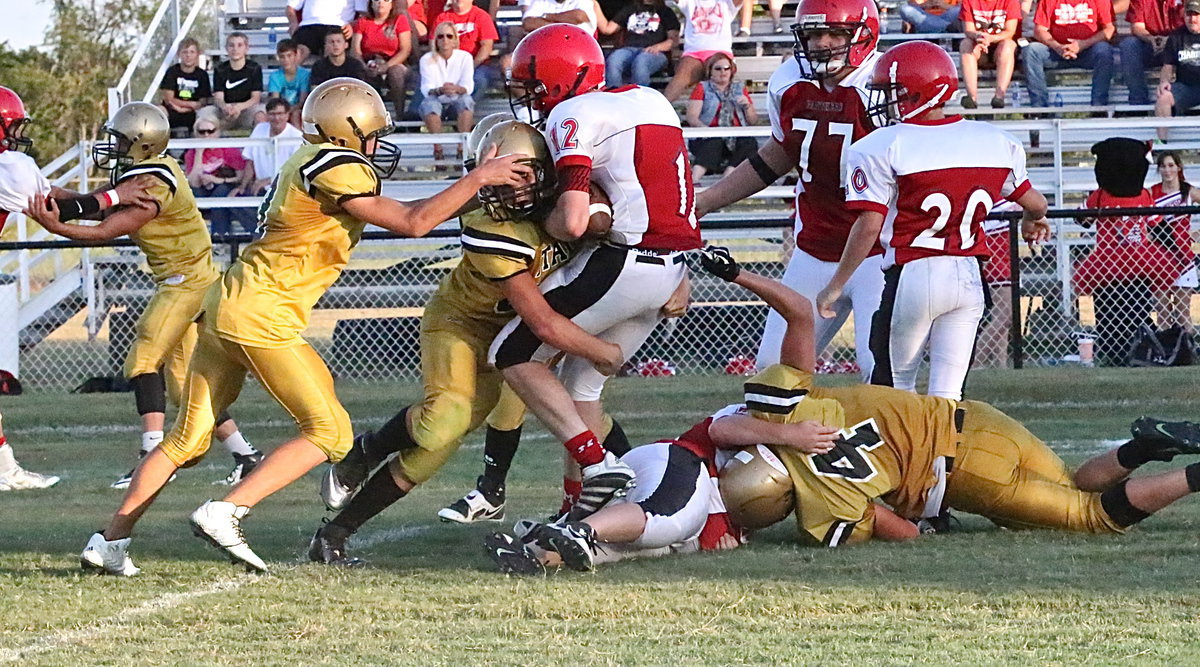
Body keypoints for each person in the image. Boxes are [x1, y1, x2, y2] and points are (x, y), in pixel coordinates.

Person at [73, 78, 532, 575]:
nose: (377, 143)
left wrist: (478, 192)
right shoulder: (337, 164)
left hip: (227, 301)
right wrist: (481, 179)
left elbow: (420, 212)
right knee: (331, 433)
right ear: (348, 130)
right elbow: (414, 222)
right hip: (262, 315)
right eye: (372, 132)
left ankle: (110, 541)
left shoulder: (304, 159)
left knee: (187, 439)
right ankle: (227, 510)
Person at [309, 121, 628, 565]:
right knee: (442, 425)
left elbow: (619, 229)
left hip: (511, 340)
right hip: (463, 326)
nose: (507, 192)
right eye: (497, 178)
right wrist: (602, 352)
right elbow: (542, 322)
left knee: (436, 452)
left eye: (520, 178)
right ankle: (365, 450)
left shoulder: (570, 206)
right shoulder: (488, 223)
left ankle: (334, 533)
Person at [485, 250, 811, 575]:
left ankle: (533, 552)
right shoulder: (791, 413)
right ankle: (578, 528)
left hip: (680, 500)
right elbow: (720, 430)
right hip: (680, 465)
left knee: (629, 549)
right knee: (669, 522)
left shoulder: (824, 467)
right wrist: (788, 435)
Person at [493, 25, 701, 519]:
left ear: (563, 81)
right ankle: (580, 513)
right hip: (669, 268)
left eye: (535, 89)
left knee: (512, 351)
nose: (533, 102)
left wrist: (536, 214)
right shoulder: (650, 100)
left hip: (626, 262)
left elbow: (571, 222)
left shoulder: (572, 113)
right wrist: (684, 271)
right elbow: (672, 199)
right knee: (581, 389)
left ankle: (596, 463)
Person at [22, 103, 259, 493]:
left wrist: (54, 223)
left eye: (119, 139)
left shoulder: (153, 182)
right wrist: (35, 194)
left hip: (187, 282)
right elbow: (93, 201)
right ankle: (246, 456)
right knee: (184, 387)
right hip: (189, 278)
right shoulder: (146, 172)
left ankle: (150, 458)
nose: (112, 146)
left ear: (141, 142)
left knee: (143, 358)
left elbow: (106, 229)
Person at [816, 42, 1050, 401]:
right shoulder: (994, 140)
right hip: (970, 275)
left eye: (894, 93)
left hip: (914, 273)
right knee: (947, 397)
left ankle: (899, 459)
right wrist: (1033, 219)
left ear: (920, 91)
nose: (887, 102)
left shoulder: (882, 145)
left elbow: (868, 225)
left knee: (895, 392)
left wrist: (835, 284)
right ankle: (944, 460)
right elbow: (1035, 202)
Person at [695, 0, 884, 380]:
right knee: (775, 371)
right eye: (814, 34)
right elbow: (777, 156)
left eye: (835, 33)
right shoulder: (789, 81)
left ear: (862, 35)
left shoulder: (882, 83)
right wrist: (702, 203)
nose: (822, 43)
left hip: (880, 254)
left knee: (879, 371)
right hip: (815, 246)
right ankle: (801, 440)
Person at [0, 86, 153, 491]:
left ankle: (4, 467)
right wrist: (114, 196)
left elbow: (52, 193)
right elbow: (53, 209)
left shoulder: (12, 165)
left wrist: (102, 199)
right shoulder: (7, 165)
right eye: (12, 125)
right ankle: (4, 470)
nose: (17, 134)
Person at [1073, 138, 1188, 365]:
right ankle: (1137, 351)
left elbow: (1081, 219)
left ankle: (1113, 353)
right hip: (1141, 262)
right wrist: (1174, 252)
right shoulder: (1143, 195)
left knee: (1107, 309)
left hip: (1107, 264)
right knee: (1139, 308)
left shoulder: (1100, 195)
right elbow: (1159, 226)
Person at [1023, 0, 1115, 107]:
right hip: (1056, 51)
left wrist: (1081, 45)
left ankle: (1099, 105)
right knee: (1031, 50)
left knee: (1104, 50)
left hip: (1088, 50)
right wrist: (1058, 47)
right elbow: (1039, 30)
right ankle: (1039, 107)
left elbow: (1109, 30)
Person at [686, 53, 759, 180]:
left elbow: (753, 121)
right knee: (715, 141)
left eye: (727, 68)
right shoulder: (702, 88)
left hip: (735, 136)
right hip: (708, 136)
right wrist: (708, 131)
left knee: (749, 142)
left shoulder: (739, 88)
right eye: (718, 69)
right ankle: (693, 180)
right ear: (710, 71)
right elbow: (692, 117)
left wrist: (747, 107)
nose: (723, 72)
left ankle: (727, 179)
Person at [1150, 150, 1199, 332]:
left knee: (1183, 312)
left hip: (1183, 256)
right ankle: (1165, 353)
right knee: (1162, 311)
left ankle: (1187, 351)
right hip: (1159, 257)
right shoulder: (1151, 193)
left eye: (1171, 165)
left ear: (1178, 167)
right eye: (1163, 166)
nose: (1167, 170)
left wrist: (1197, 234)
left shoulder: (1188, 191)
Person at [185, 118, 255, 235]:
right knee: (191, 195)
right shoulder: (191, 153)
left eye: (210, 131)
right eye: (202, 132)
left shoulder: (228, 149)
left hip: (226, 184)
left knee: (220, 193)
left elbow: (240, 177)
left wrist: (218, 180)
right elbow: (193, 183)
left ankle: (220, 236)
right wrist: (199, 153)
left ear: (217, 132)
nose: (206, 135)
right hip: (203, 188)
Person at [419, 23, 475, 162]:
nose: (445, 40)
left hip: (458, 97)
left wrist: (456, 88)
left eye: (449, 36)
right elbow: (427, 88)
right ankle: (438, 149)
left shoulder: (465, 57)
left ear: (455, 39)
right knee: (429, 105)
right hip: (437, 98)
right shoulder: (426, 59)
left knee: (466, 101)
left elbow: (468, 85)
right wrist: (441, 90)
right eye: (441, 36)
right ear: (436, 40)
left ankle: (462, 148)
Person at [663, 0, 738, 102]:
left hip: (720, 53)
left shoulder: (726, 2)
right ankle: (660, 109)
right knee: (681, 76)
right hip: (693, 54)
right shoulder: (690, 2)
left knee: (721, 70)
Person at [1118, 0, 1185, 106]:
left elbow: (1192, 24)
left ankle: (1185, 95)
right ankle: (1138, 100)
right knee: (1128, 45)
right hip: (1152, 46)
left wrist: (1170, 41)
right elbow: (1137, 27)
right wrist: (1151, 39)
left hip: (1179, 45)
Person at [352, 0, 413, 115]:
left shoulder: (399, 20)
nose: (381, 3)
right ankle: (371, 117)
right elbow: (355, 50)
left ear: (391, 4)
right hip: (370, 62)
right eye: (377, 0)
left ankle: (400, 116)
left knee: (396, 73)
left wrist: (386, 66)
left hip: (395, 62)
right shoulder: (363, 21)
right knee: (362, 74)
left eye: (385, 0)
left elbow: (405, 50)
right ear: (371, 3)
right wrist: (365, 66)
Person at [600, 0, 680, 88]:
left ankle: (639, 96)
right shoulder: (630, 9)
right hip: (629, 49)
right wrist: (594, 6)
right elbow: (608, 29)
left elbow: (673, 40)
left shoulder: (666, 11)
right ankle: (614, 94)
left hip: (656, 52)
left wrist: (658, 47)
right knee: (614, 60)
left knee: (641, 62)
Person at [433, 0, 503, 100]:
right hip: (448, 64)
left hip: (477, 65)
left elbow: (487, 47)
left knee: (479, 80)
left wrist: (470, 67)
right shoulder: (442, 18)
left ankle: (464, 110)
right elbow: (434, 45)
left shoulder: (482, 16)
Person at [958, 0, 1020, 108]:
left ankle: (999, 97)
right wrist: (979, 36)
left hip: (999, 45)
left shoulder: (1010, 1)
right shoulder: (969, 1)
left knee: (1008, 45)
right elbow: (968, 30)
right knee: (965, 44)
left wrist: (991, 38)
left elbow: (1010, 31)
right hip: (979, 45)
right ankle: (971, 97)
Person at [237, 99, 304, 198]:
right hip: (259, 188)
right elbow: (250, 162)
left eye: (280, 114)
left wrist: (269, 180)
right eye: (272, 114)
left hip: (285, 189)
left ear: (287, 115)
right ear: (267, 115)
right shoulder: (259, 129)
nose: (276, 118)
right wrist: (242, 187)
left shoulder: (297, 137)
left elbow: (295, 171)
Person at [1155, 1, 1200, 143]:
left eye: (1196, 15)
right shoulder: (1176, 36)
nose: (1192, 19)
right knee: (1163, 98)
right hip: (1185, 86)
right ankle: (1162, 143)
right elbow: (1168, 66)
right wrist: (1164, 83)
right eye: (1189, 14)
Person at [202, 32, 266, 132]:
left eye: (240, 45)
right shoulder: (220, 69)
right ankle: (208, 146)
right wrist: (225, 107)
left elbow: (255, 98)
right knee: (205, 113)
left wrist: (239, 107)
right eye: (231, 45)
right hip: (225, 109)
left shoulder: (254, 68)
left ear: (246, 48)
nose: (235, 49)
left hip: (247, 109)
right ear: (226, 48)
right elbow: (218, 98)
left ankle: (260, 147)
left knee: (261, 114)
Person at [158, 38, 212, 137]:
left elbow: (203, 101)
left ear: (197, 54)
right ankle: (160, 147)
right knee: (159, 112)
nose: (188, 55)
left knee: (207, 114)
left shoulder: (202, 75)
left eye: (192, 52)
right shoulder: (172, 71)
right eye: (185, 52)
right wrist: (186, 105)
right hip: (172, 109)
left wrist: (188, 108)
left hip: (194, 112)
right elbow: (168, 98)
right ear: (179, 54)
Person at [287, 0, 355, 63]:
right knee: (299, 52)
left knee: (331, 50)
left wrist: (352, 25)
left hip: (339, 26)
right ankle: (288, 75)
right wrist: (293, 22)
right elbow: (290, 8)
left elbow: (363, 13)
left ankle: (327, 73)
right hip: (308, 25)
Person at [267, 39, 312, 125]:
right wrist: (283, 113)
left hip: (298, 110)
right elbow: (275, 100)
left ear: (296, 55)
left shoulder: (304, 75)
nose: (285, 60)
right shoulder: (275, 76)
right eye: (282, 57)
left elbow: (302, 101)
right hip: (280, 111)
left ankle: (298, 137)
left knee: (295, 115)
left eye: (289, 56)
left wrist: (289, 111)